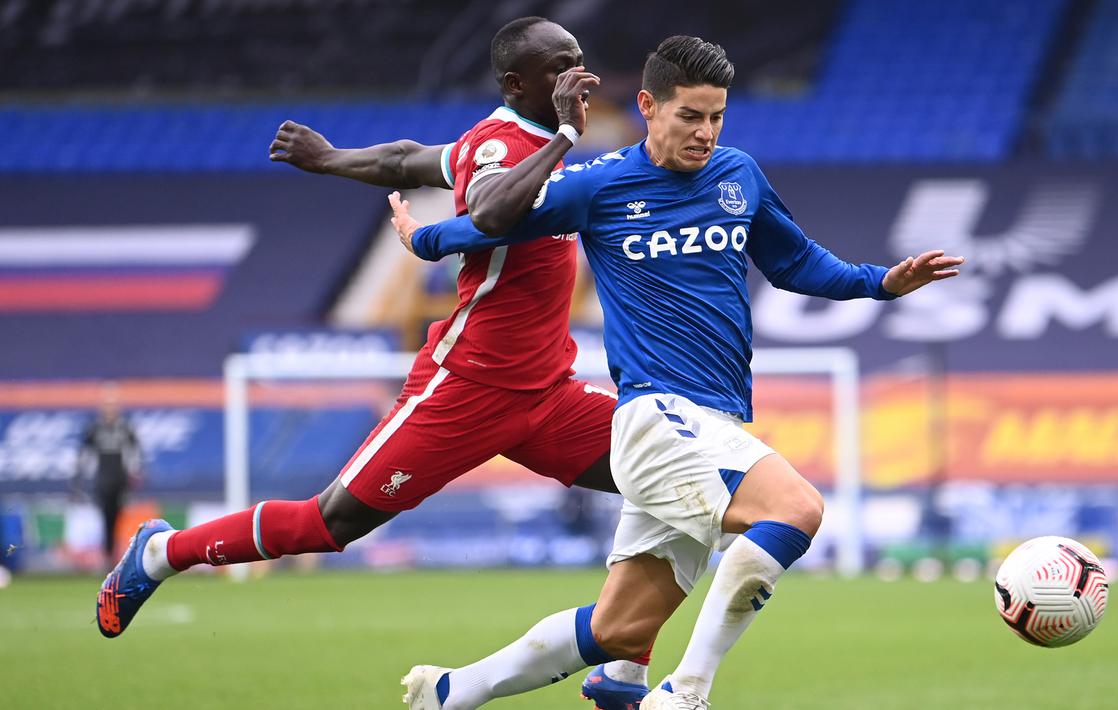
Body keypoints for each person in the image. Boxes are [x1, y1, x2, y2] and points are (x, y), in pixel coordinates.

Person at [392, 35, 963, 710]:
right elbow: (492, 224)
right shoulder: (601, 184)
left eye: (716, 116)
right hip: (655, 416)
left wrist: (881, 283)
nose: (705, 132)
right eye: (690, 115)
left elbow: (794, 263)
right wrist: (423, 237)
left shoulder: (738, 175)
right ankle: (685, 693)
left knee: (619, 630)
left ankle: (450, 692)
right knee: (796, 509)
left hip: (712, 421)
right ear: (648, 106)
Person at [95, 18, 648, 710]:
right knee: (330, 523)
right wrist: (567, 134)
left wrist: (331, 159)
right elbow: (492, 211)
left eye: (579, 60)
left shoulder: (520, 143)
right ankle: (160, 553)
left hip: (548, 393)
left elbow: (406, 159)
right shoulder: (502, 146)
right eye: (559, 66)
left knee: (664, 481)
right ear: (515, 83)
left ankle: (622, 672)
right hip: (465, 388)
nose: (578, 77)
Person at [76, 384, 143, 565]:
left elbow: (135, 452)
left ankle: (115, 553)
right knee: (105, 517)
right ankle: (108, 555)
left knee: (119, 517)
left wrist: (136, 474)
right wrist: (80, 477)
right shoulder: (95, 428)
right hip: (103, 480)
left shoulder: (125, 428)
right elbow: (85, 453)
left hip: (120, 480)